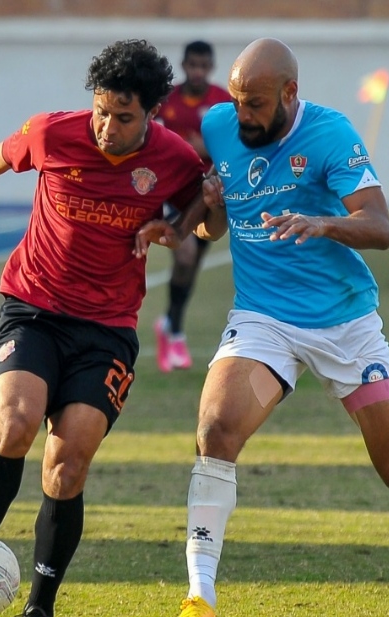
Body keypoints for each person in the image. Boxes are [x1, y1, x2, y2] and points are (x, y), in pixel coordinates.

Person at [153, 38, 389, 617]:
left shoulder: (331, 134)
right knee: (216, 432)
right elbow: (210, 228)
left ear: (290, 93)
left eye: (255, 104)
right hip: (263, 320)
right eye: (237, 100)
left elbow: (381, 227)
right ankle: (200, 599)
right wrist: (209, 208)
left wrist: (323, 222)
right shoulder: (220, 126)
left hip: (344, 324)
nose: (242, 114)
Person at [0, 39, 205, 617]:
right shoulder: (54, 133)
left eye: (123, 117)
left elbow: (202, 217)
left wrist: (184, 222)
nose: (107, 127)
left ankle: (39, 609)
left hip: (107, 329)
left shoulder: (175, 157)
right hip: (33, 309)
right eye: (102, 111)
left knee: (68, 462)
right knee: (16, 425)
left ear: (151, 113)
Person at [153, 40, 232, 373]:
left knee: (191, 266)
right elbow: (152, 139)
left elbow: (232, 147)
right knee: (184, 255)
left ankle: (170, 324)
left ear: (211, 68)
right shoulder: (166, 100)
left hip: (208, 193)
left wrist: (206, 148)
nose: (198, 72)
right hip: (174, 190)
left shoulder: (222, 102)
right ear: (184, 65)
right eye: (193, 65)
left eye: (204, 66)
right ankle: (176, 332)